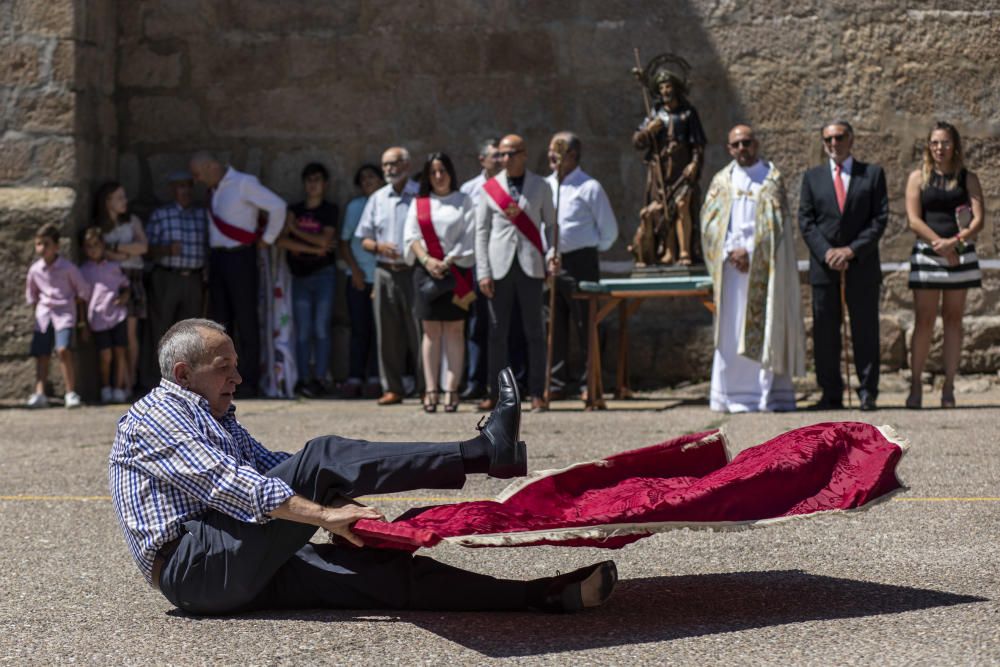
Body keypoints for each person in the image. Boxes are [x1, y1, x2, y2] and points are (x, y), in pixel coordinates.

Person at [109, 318, 617, 615]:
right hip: (196, 566)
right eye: (226, 369)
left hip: (230, 557)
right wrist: (323, 514)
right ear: (183, 373)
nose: (238, 378)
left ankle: (544, 597)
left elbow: (272, 466)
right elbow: (231, 486)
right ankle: (485, 452)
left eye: (236, 365)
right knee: (325, 453)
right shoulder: (154, 417)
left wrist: (331, 499)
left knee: (378, 575)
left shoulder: (211, 412)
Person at [701, 125, 805, 412]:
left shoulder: (771, 179)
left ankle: (765, 395)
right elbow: (709, 224)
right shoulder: (722, 181)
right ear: (729, 148)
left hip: (764, 267)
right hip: (731, 270)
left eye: (746, 143)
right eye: (736, 144)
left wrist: (752, 251)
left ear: (756, 144)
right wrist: (729, 250)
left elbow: (779, 227)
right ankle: (730, 395)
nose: (742, 149)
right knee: (731, 331)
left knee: (767, 324)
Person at [798, 121, 888, 411]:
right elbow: (806, 221)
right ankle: (830, 393)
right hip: (825, 269)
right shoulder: (812, 178)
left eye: (839, 137)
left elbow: (879, 219)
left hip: (861, 266)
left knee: (865, 330)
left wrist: (851, 250)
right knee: (825, 332)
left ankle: (867, 391)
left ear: (850, 139)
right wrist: (827, 252)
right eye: (828, 139)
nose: (833, 143)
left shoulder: (872, 175)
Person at [189, 151, 288, 398]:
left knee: (246, 321)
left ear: (211, 166)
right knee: (220, 323)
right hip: (217, 258)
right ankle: (222, 382)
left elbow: (278, 206)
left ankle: (250, 381)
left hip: (240, 257)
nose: (197, 179)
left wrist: (267, 239)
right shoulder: (213, 190)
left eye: (197, 173)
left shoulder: (244, 183)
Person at [904, 121, 985, 409]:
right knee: (924, 320)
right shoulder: (918, 177)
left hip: (960, 254)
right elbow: (913, 219)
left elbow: (978, 219)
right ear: (929, 145)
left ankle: (949, 387)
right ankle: (915, 386)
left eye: (946, 143)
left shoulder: (967, 178)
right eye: (935, 143)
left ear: (955, 146)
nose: (940, 148)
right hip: (927, 254)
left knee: (953, 319)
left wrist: (955, 242)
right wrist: (939, 243)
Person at [475, 134, 556, 412]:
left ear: (523, 154)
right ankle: (495, 393)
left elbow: (551, 227)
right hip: (498, 267)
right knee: (497, 332)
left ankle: (537, 392)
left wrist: (552, 255)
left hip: (531, 265)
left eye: (511, 154)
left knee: (534, 331)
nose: (505, 159)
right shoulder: (489, 188)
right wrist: (483, 272)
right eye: (501, 155)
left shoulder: (541, 185)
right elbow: (481, 231)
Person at [544, 131, 618, 400]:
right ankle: (556, 382)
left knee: (586, 323)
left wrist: (586, 247)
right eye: (551, 150)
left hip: (581, 261)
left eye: (558, 150)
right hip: (553, 262)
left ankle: (591, 382)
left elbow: (609, 231)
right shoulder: (546, 186)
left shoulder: (589, 187)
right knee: (554, 323)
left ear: (573, 155)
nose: (551, 155)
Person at [404, 152, 476, 413]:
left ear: (450, 172)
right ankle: (431, 389)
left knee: (455, 331)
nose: (438, 176)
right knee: (431, 332)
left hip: (456, 273)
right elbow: (410, 235)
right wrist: (427, 261)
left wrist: (448, 260)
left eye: (442, 170)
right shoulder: (420, 202)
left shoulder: (464, 201)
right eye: (433, 172)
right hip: (426, 273)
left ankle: (451, 390)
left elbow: (469, 235)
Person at [355, 147, 422, 406]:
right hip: (384, 270)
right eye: (385, 165)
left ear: (406, 164)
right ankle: (393, 388)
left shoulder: (420, 194)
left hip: (414, 270)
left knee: (418, 332)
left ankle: (426, 387)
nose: (388, 170)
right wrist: (379, 247)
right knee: (387, 333)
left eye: (393, 164)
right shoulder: (378, 198)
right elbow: (364, 239)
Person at [631, 60, 706, 266]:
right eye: (662, 87)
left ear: (676, 88)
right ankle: (668, 251)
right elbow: (637, 141)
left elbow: (698, 144)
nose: (665, 91)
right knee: (665, 210)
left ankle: (685, 251)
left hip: (682, 168)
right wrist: (649, 131)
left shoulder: (688, 113)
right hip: (661, 171)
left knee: (682, 205)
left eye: (669, 86)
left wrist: (695, 163)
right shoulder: (655, 114)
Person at [279, 162, 339, 398]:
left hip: (324, 274)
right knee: (303, 330)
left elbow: (327, 241)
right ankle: (304, 379)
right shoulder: (294, 208)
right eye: (309, 180)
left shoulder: (329, 210)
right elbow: (281, 241)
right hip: (299, 275)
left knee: (321, 328)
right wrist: (314, 249)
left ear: (325, 184)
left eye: (317, 180)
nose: (312, 184)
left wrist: (296, 231)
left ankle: (321, 378)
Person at [24, 222, 91, 409]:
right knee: (42, 354)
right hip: (44, 316)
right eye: (38, 244)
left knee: (63, 350)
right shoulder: (35, 270)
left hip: (64, 314)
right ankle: (40, 392)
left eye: (46, 244)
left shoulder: (68, 268)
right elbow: (32, 295)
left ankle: (70, 392)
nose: (41, 248)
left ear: (56, 246)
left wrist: (76, 306)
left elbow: (83, 290)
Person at [145, 170, 209, 365]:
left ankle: (187, 377)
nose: (185, 191)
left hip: (194, 279)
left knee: (191, 332)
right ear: (172, 190)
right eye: (181, 187)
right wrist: (165, 250)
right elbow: (146, 250)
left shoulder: (201, 215)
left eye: (189, 186)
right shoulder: (161, 215)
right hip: (167, 278)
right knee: (162, 328)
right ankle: (157, 377)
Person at [94, 181, 148, 394]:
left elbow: (142, 247)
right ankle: (116, 381)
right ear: (107, 201)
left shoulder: (132, 221)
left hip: (132, 277)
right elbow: (103, 252)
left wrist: (117, 248)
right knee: (114, 333)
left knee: (130, 333)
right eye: (119, 198)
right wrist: (125, 252)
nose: (124, 202)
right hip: (110, 281)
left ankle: (129, 380)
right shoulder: (99, 227)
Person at [458, 137, 502, 401]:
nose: (499, 160)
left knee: (503, 325)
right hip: (474, 265)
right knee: (476, 325)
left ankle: (503, 383)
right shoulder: (469, 190)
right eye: (494, 155)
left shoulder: (510, 187)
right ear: (481, 159)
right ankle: (475, 381)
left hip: (504, 264)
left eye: (501, 155)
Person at [338, 163, 384, 399]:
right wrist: (355, 271)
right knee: (359, 329)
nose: (367, 181)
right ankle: (355, 376)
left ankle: (377, 377)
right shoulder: (355, 207)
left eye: (372, 177)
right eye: (363, 177)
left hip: (381, 277)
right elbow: (344, 243)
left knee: (381, 330)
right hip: (357, 277)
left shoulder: (386, 203)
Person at [79, 227, 131, 404]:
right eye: (88, 246)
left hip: (117, 316)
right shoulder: (83, 271)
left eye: (96, 245)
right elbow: (81, 299)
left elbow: (126, 287)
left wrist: (124, 297)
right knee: (105, 356)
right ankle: (106, 387)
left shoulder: (114, 267)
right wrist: (83, 324)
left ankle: (119, 388)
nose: (93, 249)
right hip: (97, 319)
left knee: (120, 352)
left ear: (103, 245)